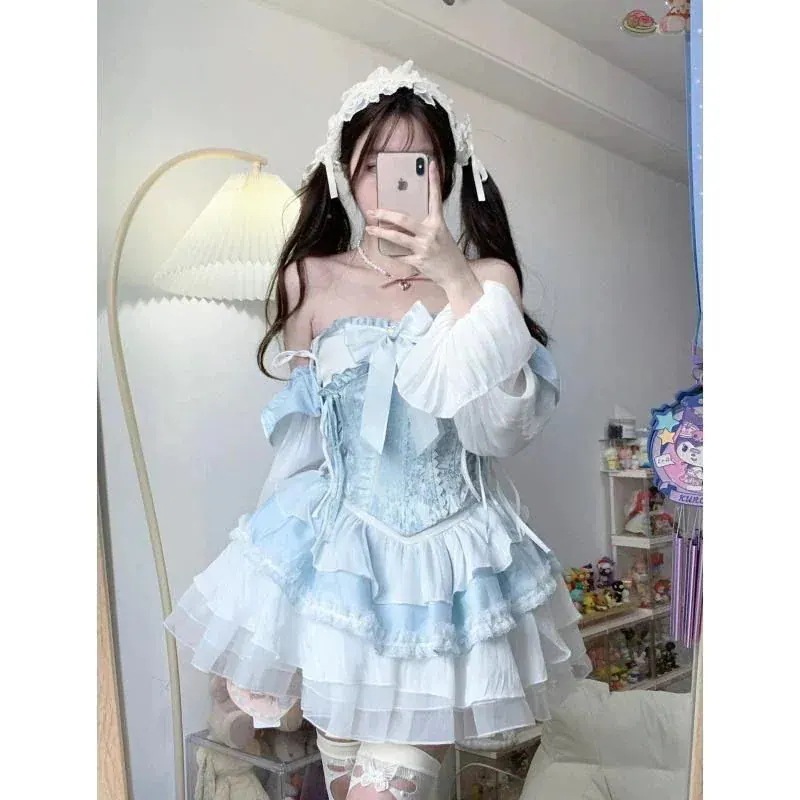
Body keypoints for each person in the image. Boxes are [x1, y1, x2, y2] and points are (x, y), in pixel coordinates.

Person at [165, 61, 591, 800]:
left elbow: (504, 428)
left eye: (417, 164)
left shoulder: (489, 279)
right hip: (341, 575)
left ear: (448, 173)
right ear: (344, 173)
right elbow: (304, 444)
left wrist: (454, 278)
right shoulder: (310, 278)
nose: (391, 184)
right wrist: (261, 593)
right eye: (373, 166)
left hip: (448, 572)